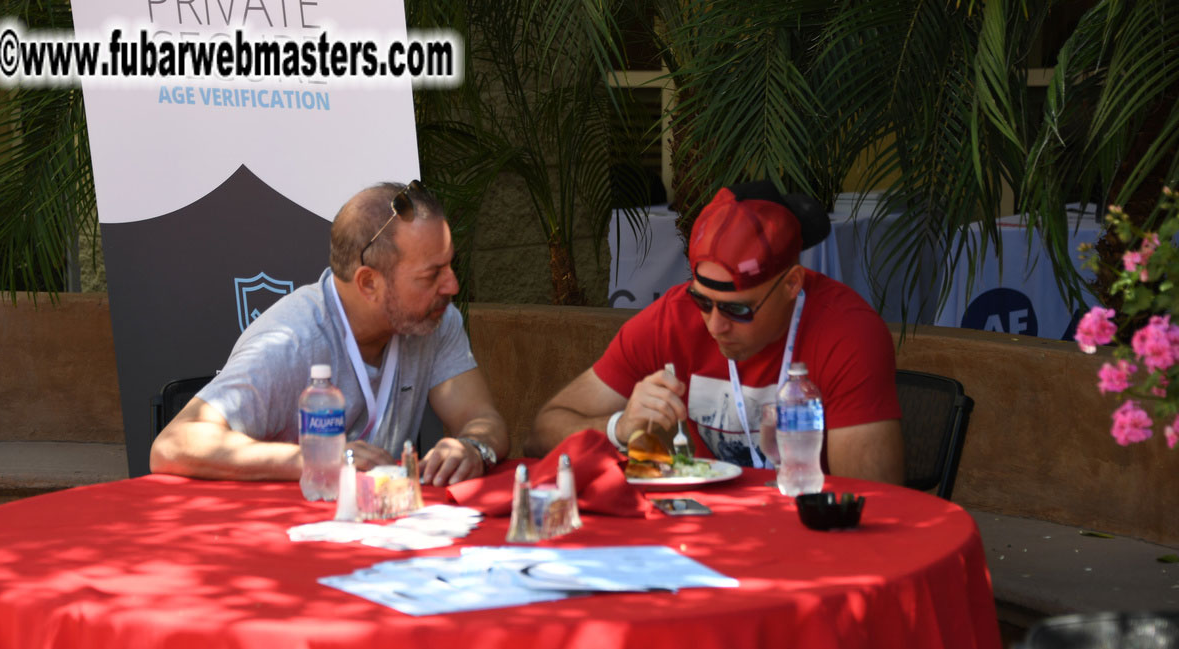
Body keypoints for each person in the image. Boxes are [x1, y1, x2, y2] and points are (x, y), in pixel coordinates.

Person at [527, 183, 904, 484]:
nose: (714, 325)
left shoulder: (846, 333)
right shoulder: (669, 320)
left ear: (791, 284)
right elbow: (543, 432)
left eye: (737, 309)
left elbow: (877, 500)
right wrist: (619, 427)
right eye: (703, 301)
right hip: (709, 532)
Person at [150, 180, 508, 487]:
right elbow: (173, 445)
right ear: (368, 282)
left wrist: (474, 447)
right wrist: (318, 459)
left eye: (451, 266)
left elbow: (482, 417)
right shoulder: (291, 342)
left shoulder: (434, 320)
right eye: (432, 275)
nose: (453, 286)